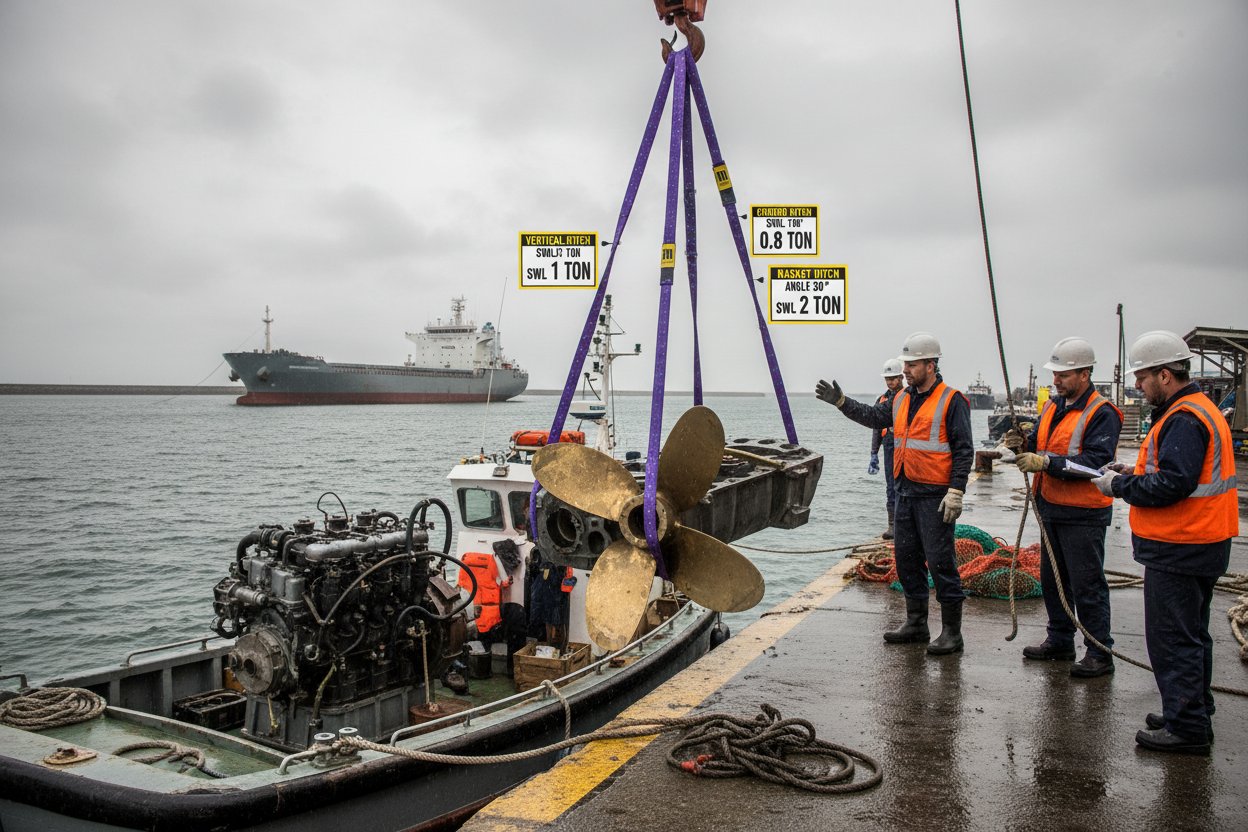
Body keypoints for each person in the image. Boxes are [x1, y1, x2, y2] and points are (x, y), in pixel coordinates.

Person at [1092, 331, 1238, 756]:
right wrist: (1132, 469)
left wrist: (1120, 485)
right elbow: (1175, 470)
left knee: (1173, 637)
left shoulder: (1182, 418)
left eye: (1142, 378)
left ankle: (1187, 725)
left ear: (1164, 375)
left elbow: (1173, 483)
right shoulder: (1198, 410)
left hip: (1182, 542)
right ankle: (1191, 707)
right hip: (1203, 540)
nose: (1138, 385)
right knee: (1192, 633)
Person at [817, 331, 974, 655]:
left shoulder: (951, 400)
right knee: (907, 560)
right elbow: (875, 417)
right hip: (904, 493)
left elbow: (963, 450)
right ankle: (916, 623)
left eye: (912, 365)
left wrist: (956, 490)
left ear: (931, 365)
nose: (905, 371)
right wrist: (842, 403)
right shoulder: (901, 399)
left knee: (941, 563)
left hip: (934, 496)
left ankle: (952, 633)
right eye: (905, 364)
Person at [1004, 337, 1123, 678]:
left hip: (1084, 513)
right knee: (1053, 580)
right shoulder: (1054, 407)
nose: (1055, 380)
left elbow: (1094, 464)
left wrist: (1045, 463)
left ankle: (1100, 652)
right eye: (1055, 373)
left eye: (1063, 374)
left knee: (1086, 585)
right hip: (1051, 506)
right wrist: (1023, 443)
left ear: (1085, 374)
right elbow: (1041, 443)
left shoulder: (1102, 413)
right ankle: (1060, 640)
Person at [870, 359, 906, 539]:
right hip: (889, 446)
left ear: (901, 377)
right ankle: (892, 526)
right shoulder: (882, 400)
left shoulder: (908, 397)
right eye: (887, 379)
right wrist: (873, 453)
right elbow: (876, 428)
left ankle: (905, 524)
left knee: (905, 486)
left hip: (907, 447)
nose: (890, 382)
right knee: (891, 486)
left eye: (893, 378)